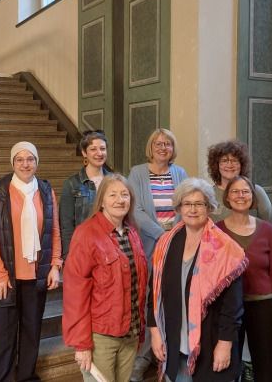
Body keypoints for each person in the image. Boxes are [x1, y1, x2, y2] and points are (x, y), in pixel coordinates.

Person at [148, 177, 246, 382]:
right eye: (187, 204)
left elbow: (233, 306)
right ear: (179, 208)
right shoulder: (166, 243)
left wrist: (225, 343)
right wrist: (155, 332)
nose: (193, 209)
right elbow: (154, 293)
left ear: (209, 207)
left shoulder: (226, 248)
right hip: (174, 342)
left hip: (211, 344)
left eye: (199, 204)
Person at [0, 141, 62, 382]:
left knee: (31, 330)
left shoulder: (46, 191)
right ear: (13, 163)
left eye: (30, 159)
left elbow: (55, 231)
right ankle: (2, 377)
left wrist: (56, 265)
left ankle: (26, 376)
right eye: (20, 159)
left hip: (37, 274)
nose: (25, 164)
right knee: (4, 334)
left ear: (37, 162)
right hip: (7, 277)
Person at [63, 174, 148, 382]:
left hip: (131, 333)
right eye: (113, 195)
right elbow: (75, 295)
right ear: (101, 201)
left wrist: (140, 332)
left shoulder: (131, 233)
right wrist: (81, 344)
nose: (120, 200)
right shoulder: (86, 234)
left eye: (124, 194)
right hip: (101, 337)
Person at [127, 128, 189, 381]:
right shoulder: (137, 173)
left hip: (176, 245)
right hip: (148, 246)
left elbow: (185, 205)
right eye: (158, 144)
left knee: (174, 299)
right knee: (148, 301)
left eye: (168, 144)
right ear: (150, 147)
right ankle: (143, 357)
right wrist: (161, 234)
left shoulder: (180, 173)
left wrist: (173, 233)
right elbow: (136, 209)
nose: (163, 148)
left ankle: (168, 354)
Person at [215, 176, 272, 382]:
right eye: (235, 191)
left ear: (253, 197)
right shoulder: (217, 231)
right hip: (228, 310)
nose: (241, 196)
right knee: (228, 367)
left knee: (264, 368)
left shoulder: (267, 230)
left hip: (263, 306)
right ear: (227, 197)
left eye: (245, 191)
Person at [60, 130, 113, 260]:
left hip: (112, 248)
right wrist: (69, 257)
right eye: (93, 149)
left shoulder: (115, 181)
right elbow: (66, 226)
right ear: (84, 153)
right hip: (83, 249)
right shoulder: (72, 184)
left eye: (102, 148)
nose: (99, 153)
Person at [206, 140, 272, 224]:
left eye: (234, 160)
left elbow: (268, 227)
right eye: (224, 161)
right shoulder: (208, 194)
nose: (230, 165)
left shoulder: (257, 192)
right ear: (216, 165)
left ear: (242, 164)